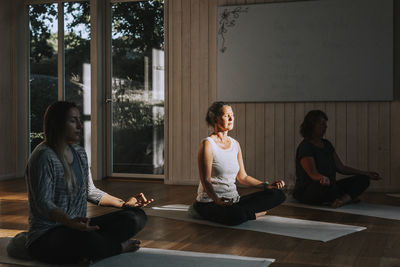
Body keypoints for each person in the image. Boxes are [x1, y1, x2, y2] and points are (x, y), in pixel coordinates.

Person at [25, 101, 154, 264]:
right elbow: (44, 203)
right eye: (73, 121)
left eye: (79, 120)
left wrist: (124, 204)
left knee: (136, 217)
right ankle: (117, 248)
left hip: (79, 228)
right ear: (56, 124)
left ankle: (88, 252)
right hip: (48, 235)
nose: (80, 125)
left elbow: (90, 191)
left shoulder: (79, 153)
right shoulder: (43, 156)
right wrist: (69, 222)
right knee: (85, 239)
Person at [191, 101, 286, 226]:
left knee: (278, 195)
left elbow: (243, 177)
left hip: (234, 200)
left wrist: (266, 186)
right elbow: (206, 180)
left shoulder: (235, 144)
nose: (231, 118)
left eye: (232, 115)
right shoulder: (207, 144)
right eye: (226, 115)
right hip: (210, 202)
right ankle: (253, 213)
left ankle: (244, 212)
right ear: (215, 120)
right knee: (237, 215)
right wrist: (217, 200)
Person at [293, 110, 382, 208]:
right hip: (310, 189)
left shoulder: (327, 144)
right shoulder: (305, 147)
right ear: (311, 125)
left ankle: (342, 200)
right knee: (322, 186)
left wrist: (365, 173)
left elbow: (341, 168)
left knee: (364, 179)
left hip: (330, 186)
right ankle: (340, 198)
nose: (325, 126)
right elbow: (312, 173)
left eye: (325, 124)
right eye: (321, 124)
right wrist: (321, 178)